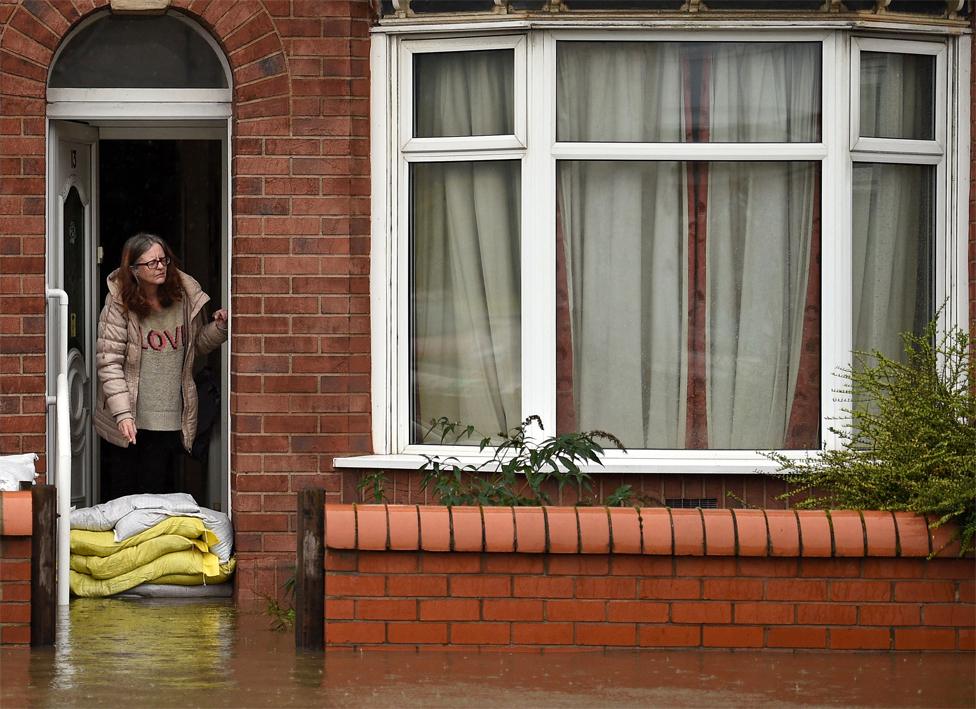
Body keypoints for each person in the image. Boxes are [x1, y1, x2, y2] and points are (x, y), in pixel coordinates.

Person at [94, 233, 228, 495]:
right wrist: (122, 415)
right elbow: (109, 361)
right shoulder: (119, 303)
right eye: (151, 263)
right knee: (126, 492)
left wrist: (220, 328)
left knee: (158, 492)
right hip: (132, 415)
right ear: (133, 270)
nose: (161, 267)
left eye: (163, 260)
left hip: (171, 415)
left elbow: (196, 345)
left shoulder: (183, 297)